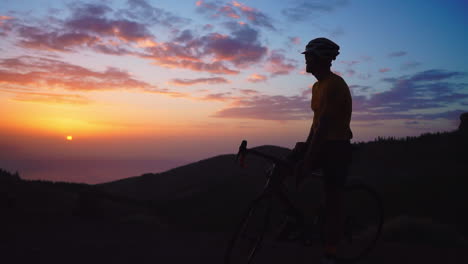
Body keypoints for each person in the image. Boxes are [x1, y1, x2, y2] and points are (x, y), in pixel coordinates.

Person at [295, 37, 353, 264]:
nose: (306, 60)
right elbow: (316, 123)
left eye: (309, 56)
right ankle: (294, 219)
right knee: (282, 166)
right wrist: (306, 145)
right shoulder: (317, 86)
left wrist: (309, 159)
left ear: (320, 59)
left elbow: (325, 126)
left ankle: (331, 251)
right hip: (322, 141)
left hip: (337, 147)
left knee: (332, 200)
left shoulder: (335, 85)